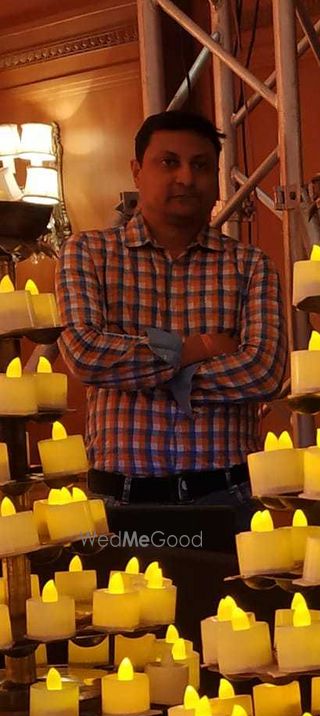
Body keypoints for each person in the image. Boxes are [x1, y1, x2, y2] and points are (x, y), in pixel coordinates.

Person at [56, 110, 287, 530]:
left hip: (225, 499)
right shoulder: (88, 252)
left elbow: (264, 371)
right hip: (119, 502)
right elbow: (86, 355)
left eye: (200, 165)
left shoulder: (250, 264)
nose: (186, 177)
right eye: (169, 162)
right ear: (137, 171)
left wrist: (135, 369)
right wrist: (198, 349)